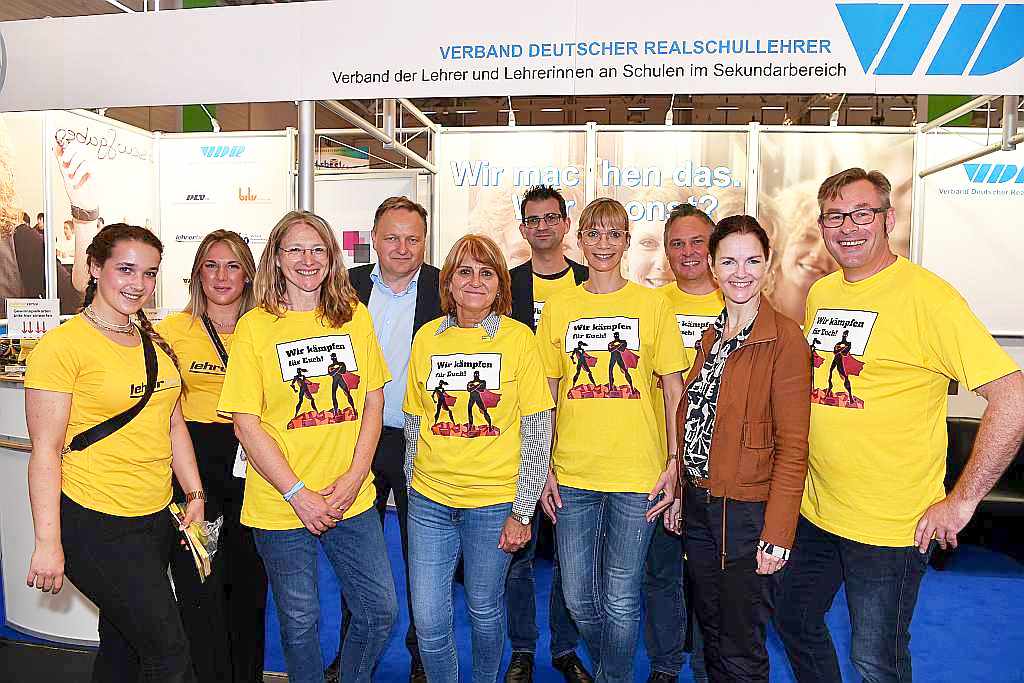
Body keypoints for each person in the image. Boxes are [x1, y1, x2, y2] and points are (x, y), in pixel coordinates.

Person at [774, 168, 1024, 683]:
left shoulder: (929, 298)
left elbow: (1013, 397)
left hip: (891, 526)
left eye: (862, 214)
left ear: (888, 218)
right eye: (835, 216)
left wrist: (962, 499)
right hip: (817, 510)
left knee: (876, 660)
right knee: (793, 618)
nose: (848, 227)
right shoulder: (822, 293)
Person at [218, 210, 397, 683]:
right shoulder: (254, 327)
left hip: (349, 498)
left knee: (379, 611)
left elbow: (373, 402)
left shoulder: (352, 316)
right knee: (300, 623)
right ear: (276, 258)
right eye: (295, 249)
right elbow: (245, 423)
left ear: (332, 258)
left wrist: (355, 478)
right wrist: (298, 493)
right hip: (281, 503)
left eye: (317, 249)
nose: (307, 259)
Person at [24, 223, 203, 682]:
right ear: (93, 268)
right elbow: (44, 453)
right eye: (125, 270)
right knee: (170, 653)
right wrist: (48, 543)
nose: (138, 284)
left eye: (149, 274)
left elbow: (171, 423)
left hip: (152, 519)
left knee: (125, 643)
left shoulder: (152, 342)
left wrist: (194, 495)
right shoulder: (61, 347)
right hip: (94, 523)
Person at [537, 198, 686, 683]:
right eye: (594, 233)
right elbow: (548, 395)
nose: (604, 243)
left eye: (614, 234)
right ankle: (614, 666)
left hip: (637, 474)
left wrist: (674, 461)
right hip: (573, 474)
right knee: (578, 595)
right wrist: (544, 468)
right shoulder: (559, 307)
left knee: (622, 594)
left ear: (627, 241)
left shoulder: (653, 304)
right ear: (579, 239)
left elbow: (672, 387)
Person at [404, 234, 555, 683]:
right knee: (429, 620)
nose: (475, 281)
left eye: (486, 272)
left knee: (484, 609)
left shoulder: (517, 339)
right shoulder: (428, 338)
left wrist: (522, 512)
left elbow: (536, 430)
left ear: (500, 284)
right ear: (448, 282)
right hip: (430, 503)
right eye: (464, 272)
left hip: (494, 505)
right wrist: (413, 485)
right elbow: (415, 421)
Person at [665, 215, 810, 682]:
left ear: (767, 267)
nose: (740, 272)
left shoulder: (785, 338)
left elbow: (793, 447)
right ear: (712, 266)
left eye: (752, 261)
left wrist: (779, 534)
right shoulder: (712, 336)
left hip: (747, 515)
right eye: (728, 260)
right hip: (702, 508)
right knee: (710, 632)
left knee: (742, 645)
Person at [326, 195, 442, 683]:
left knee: (424, 559)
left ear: (424, 241)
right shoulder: (343, 287)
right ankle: (355, 657)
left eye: (412, 238)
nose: (402, 247)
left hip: (421, 442)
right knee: (359, 561)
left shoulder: (444, 286)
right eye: (392, 237)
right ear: (374, 239)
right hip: (355, 443)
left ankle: (422, 657)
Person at [157, 229, 268, 683]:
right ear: (197, 274)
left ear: (248, 274)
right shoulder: (170, 331)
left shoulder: (266, 327)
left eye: (233, 265)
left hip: (255, 465)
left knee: (249, 584)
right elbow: (162, 408)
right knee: (199, 582)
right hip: (193, 471)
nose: (222, 276)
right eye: (211, 265)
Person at [506, 184, 592, 683]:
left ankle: (564, 647)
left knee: (568, 556)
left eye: (551, 218)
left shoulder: (588, 283)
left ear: (565, 225)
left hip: (577, 436)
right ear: (523, 228)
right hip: (517, 436)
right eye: (532, 220)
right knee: (518, 549)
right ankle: (522, 648)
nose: (542, 227)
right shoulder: (508, 285)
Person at [644, 204, 721, 683]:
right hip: (664, 464)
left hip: (722, 470)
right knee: (661, 573)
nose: (688, 252)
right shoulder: (653, 305)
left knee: (714, 579)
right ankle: (666, 663)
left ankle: (708, 664)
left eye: (697, 242)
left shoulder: (740, 300)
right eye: (677, 243)